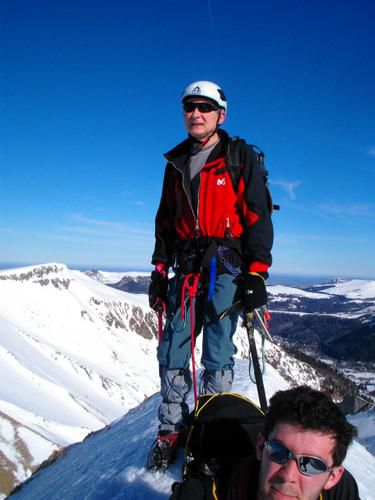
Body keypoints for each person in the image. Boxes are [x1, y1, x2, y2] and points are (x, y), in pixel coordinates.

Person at [147, 80, 273, 470]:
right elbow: (166, 221)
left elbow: (257, 215)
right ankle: (170, 429)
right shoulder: (176, 163)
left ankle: (212, 422)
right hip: (186, 268)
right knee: (173, 349)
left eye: (204, 107)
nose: (195, 114)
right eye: (189, 107)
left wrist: (257, 273)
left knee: (218, 349)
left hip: (227, 265)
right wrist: (158, 268)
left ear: (221, 114)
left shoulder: (238, 157)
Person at [227, 386, 360, 500]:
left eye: (311, 464)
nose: (287, 476)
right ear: (261, 448)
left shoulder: (341, 493)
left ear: (332, 477)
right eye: (278, 452)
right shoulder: (212, 491)